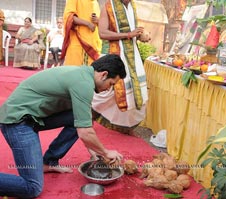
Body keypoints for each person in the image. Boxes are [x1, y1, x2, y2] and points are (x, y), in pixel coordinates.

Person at [0, 54, 126, 198]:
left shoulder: (82, 75)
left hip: (32, 117)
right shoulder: (84, 84)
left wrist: (94, 151)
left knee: (79, 117)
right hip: (16, 122)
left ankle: (48, 162)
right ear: (104, 75)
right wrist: (105, 152)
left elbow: (81, 121)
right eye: (111, 84)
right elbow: (85, 132)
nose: (108, 89)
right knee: (32, 187)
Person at [92, 0, 150, 134]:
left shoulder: (132, 6)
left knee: (134, 90)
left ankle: (126, 127)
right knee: (109, 91)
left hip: (133, 57)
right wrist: (128, 35)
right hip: (115, 55)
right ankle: (86, 119)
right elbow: (103, 33)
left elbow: (133, 31)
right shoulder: (108, 5)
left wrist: (140, 36)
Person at [61, 0, 102, 66]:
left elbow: (101, 24)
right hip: (79, 44)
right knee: (75, 72)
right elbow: (69, 17)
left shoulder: (95, 3)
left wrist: (98, 21)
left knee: (90, 74)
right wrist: (87, 23)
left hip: (93, 46)